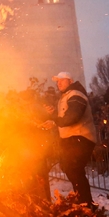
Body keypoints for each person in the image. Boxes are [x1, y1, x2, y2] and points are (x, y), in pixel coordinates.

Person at [42, 71, 97, 206]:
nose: (58, 83)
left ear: (70, 81)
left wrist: (54, 121)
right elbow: (64, 117)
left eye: (62, 80)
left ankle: (86, 203)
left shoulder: (76, 95)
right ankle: (83, 201)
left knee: (73, 168)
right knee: (70, 168)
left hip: (80, 138)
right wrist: (54, 114)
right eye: (57, 81)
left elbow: (72, 116)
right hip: (71, 139)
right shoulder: (66, 96)